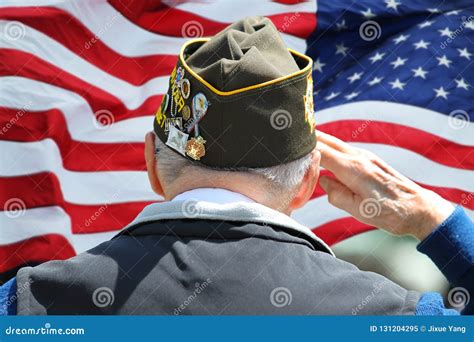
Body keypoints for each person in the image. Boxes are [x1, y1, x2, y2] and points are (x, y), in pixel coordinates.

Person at [1, 17, 472, 315]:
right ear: (308, 181)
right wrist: (434, 221)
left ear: (150, 161)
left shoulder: (30, 306)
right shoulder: (387, 316)